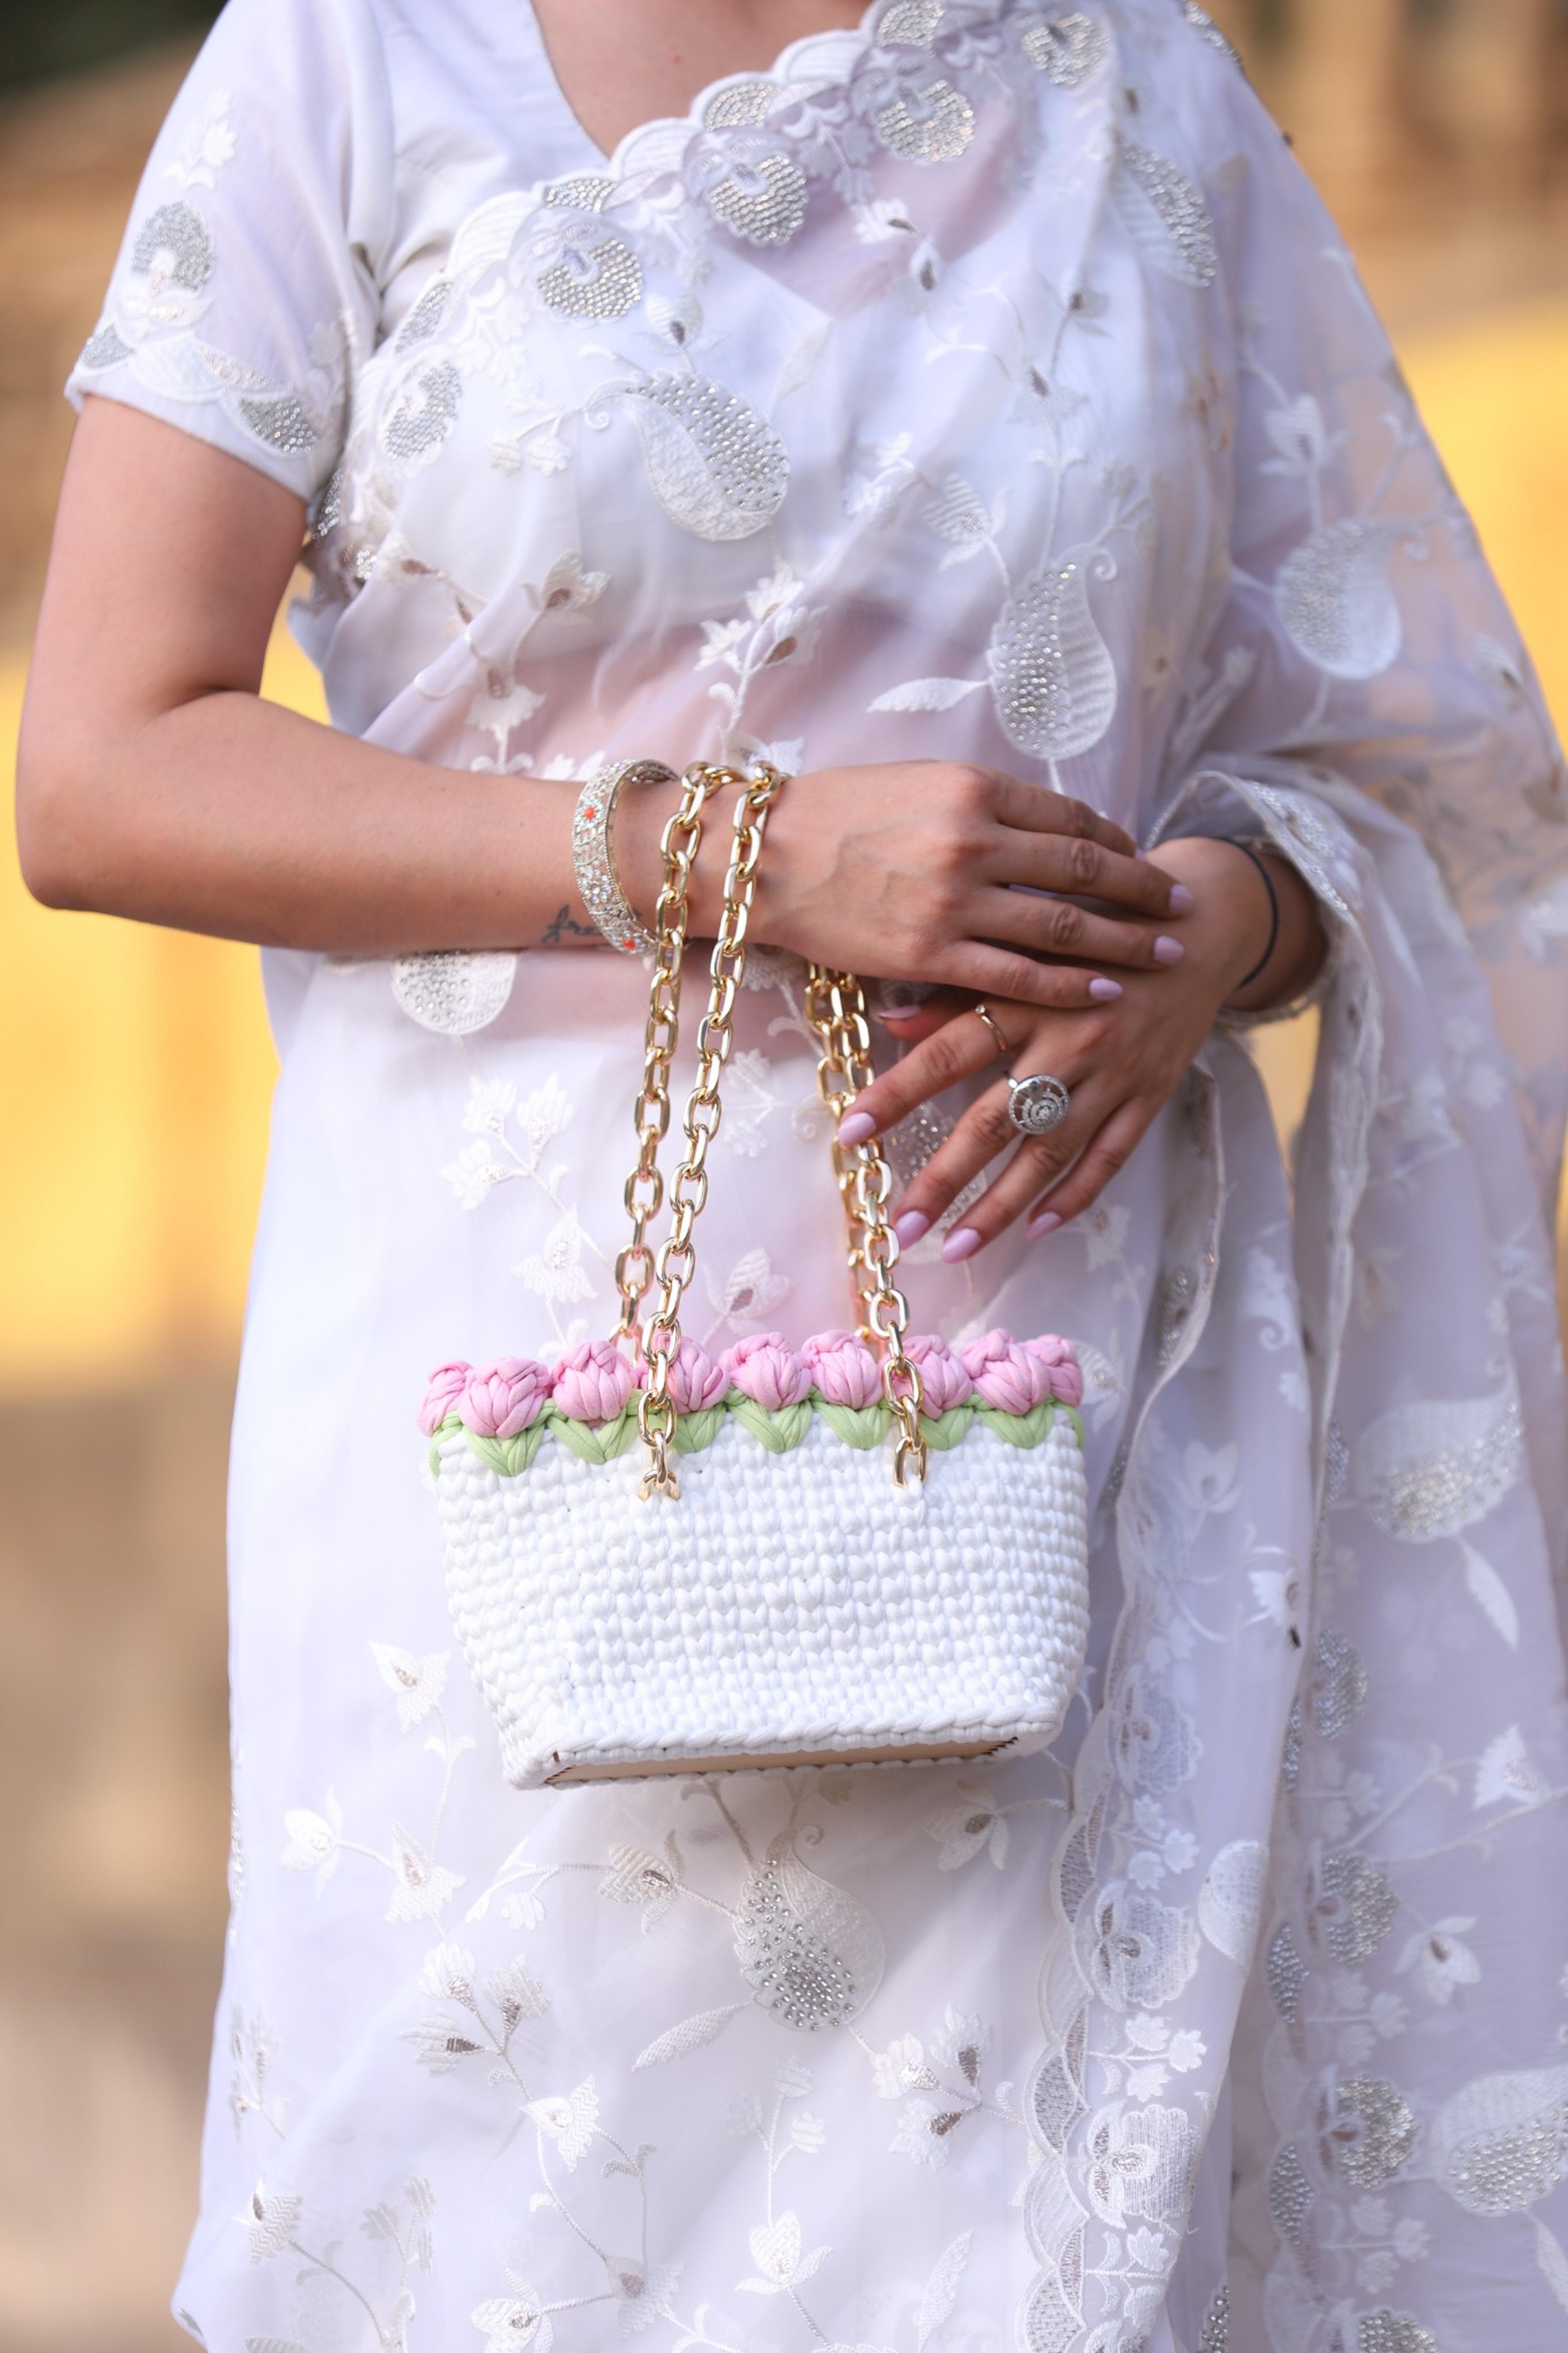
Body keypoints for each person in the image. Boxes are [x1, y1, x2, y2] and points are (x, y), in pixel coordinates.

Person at [16, 1, 1568, 2345]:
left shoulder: (1122, 79)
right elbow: (104, 773)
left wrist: (1210, 927)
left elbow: (1412, 765)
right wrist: (735, 853)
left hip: (1076, 1438)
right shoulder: (348, 60)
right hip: (523, 1497)